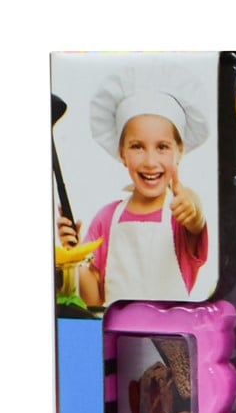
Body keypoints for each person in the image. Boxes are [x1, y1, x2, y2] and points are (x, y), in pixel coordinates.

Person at [57, 68, 211, 308]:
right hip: (119, 330)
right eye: (137, 146)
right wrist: (75, 258)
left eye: (162, 147)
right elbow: (94, 300)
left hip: (172, 330)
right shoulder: (105, 219)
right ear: (122, 153)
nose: (150, 161)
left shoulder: (181, 214)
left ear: (179, 151)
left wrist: (194, 208)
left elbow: (196, 221)